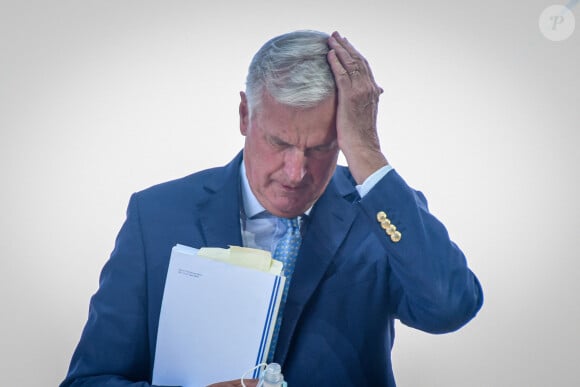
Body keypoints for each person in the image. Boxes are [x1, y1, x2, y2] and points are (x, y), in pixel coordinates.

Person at [61, 30, 483, 387]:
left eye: (320, 148)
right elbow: (89, 380)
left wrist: (367, 154)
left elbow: (450, 308)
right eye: (280, 143)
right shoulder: (154, 215)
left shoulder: (380, 214)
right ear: (246, 115)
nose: (296, 172)